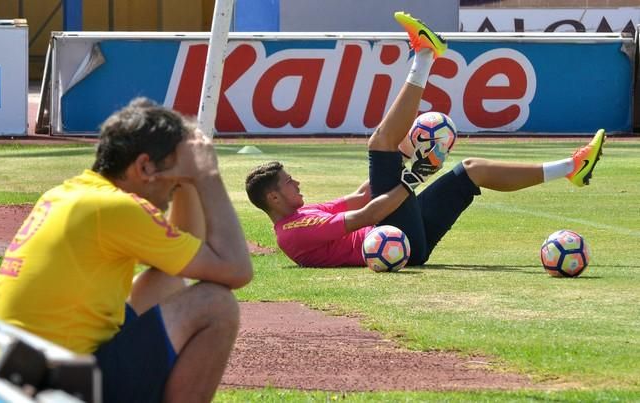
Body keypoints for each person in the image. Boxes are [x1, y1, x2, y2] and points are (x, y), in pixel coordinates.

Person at [244, 11, 605, 268]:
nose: (298, 183)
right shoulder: (292, 232)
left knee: (471, 170)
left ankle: (572, 168)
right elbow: (368, 214)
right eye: (290, 183)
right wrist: (415, 174)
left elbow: (360, 197)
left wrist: (404, 154)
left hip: (402, 239)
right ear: (273, 197)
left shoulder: (304, 213)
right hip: (394, 243)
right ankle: (425, 54)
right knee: (377, 145)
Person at [0, 98, 253, 402]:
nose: (172, 189)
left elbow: (186, 253)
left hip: (16, 373)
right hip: (57, 385)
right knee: (216, 304)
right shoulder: (118, 208)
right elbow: (235, 269)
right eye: (173, 174)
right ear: (144, 166)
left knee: (167, 279)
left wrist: (186, 180)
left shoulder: (73, 194)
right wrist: (207, 175)